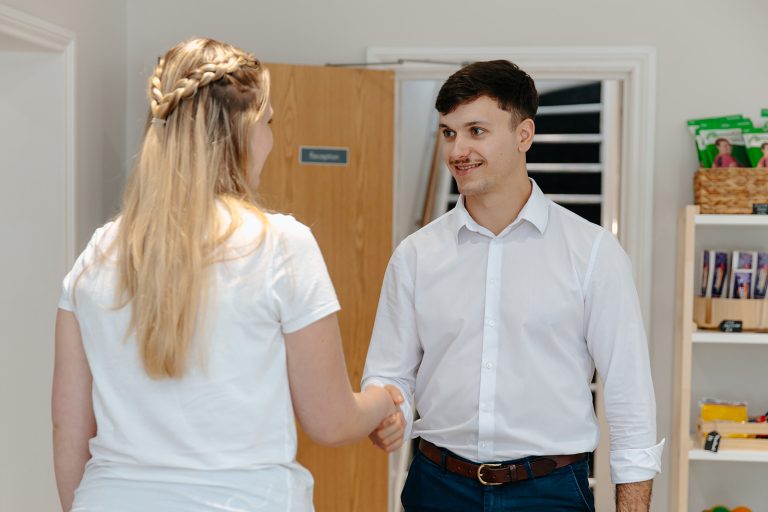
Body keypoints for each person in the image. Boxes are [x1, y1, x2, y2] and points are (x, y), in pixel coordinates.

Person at [52, 37, 400, 512]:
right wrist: (383, 400)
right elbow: (331, 421)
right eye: (269, 123)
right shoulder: (279, 245)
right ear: (243, 128)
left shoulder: (97, 254)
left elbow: (69, 428)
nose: (271, 141)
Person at [363, 60, 664, 512]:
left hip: (551, 491)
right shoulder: (415, 255)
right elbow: (390, 373)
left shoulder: (594, 253)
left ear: (524, 135)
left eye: (476, 131)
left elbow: (629, 398)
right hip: (437, 487)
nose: (457, 149)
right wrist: (392, 414)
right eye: (448, 132)